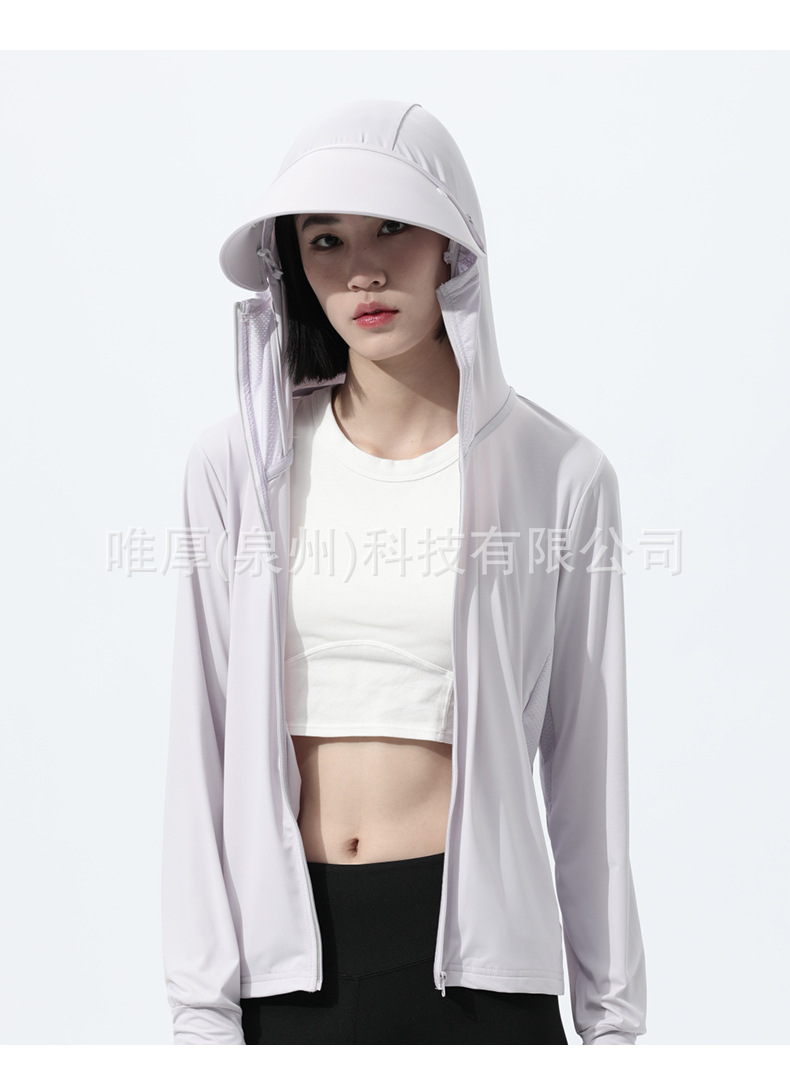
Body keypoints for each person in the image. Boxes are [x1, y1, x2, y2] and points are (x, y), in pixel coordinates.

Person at [161, 99, 647, 1045]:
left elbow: (587, 777)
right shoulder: (236, 468)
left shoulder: (561, 476)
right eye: (326, 240)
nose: (364, 271)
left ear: (454, 247)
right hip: (284, 971)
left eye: (393, 227)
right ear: (292, 266)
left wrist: (614, 1030)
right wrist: (199, 1015)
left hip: (480, 980)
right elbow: (201, 742)